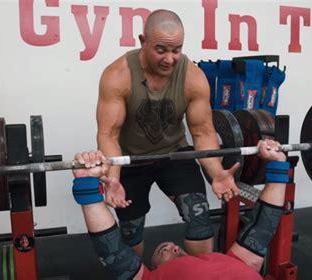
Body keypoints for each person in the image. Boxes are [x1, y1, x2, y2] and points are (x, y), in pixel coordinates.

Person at [96, 9, 238, 257]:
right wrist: (115, 176)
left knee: (199, 218)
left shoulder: (192, 77)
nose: (170, 59)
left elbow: (202, 131)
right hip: (131, 159)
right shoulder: (118, 75)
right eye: (161, 50)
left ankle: (199, 275)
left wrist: (216, 172)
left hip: (174, 155)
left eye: (176, 50)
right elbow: (109, 135)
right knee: (131, 232)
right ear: (143, 42)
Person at [72, 139, 288, 280]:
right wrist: (87, 183)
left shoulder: (236, 261)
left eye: (165, 248)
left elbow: (264, 225)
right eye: (163, 251)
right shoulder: (148, 278)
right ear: (154, 268)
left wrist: (279, 162)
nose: (173, 247)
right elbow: (111, 249)